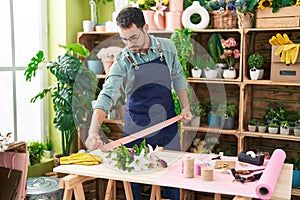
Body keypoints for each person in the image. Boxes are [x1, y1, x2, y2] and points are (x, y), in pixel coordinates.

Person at [85, 6, 192, 200]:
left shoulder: (167, 47)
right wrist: (93, 132)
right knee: (133, 180)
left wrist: (185, 107)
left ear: (146, 28)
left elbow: (178, 76)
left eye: (133, 37)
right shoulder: (123, 59)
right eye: (124, 39)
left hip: (167, 124)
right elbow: (107, 95)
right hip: (137, 126)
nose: (129, 44)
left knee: (171, 178)